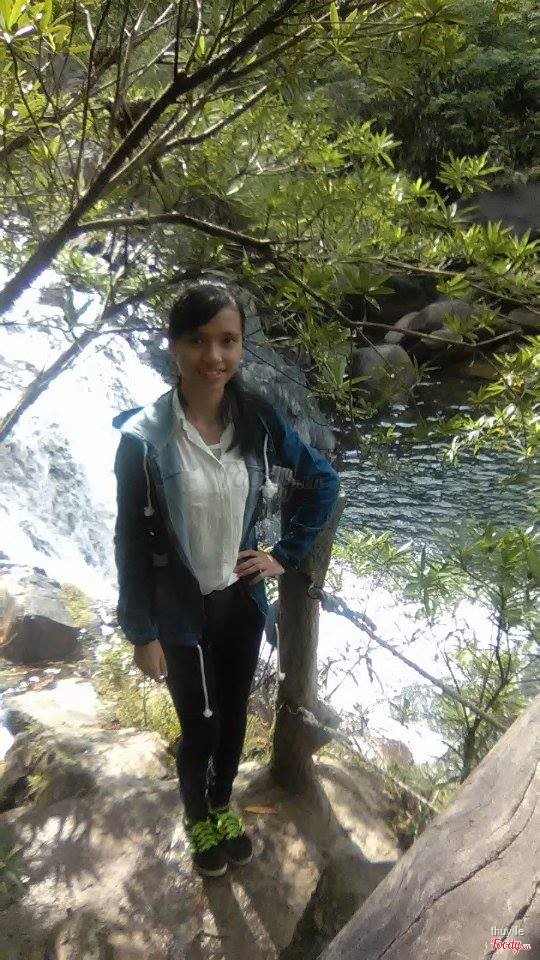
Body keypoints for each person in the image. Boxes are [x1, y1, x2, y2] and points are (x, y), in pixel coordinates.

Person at [112, 280, 340, 878]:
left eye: (228, 341)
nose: (213, 356)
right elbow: (129, 542)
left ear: (240, 346)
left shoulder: (256, 419)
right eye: (198, 340)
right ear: (173, 345)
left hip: (239, 601)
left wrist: (284, 554)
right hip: (178, 611)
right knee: (200, 726)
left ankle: (220, 805)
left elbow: (322, 481)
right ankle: (197, 817)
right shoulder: (143, 441)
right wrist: (141, 633)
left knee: (234, 716)